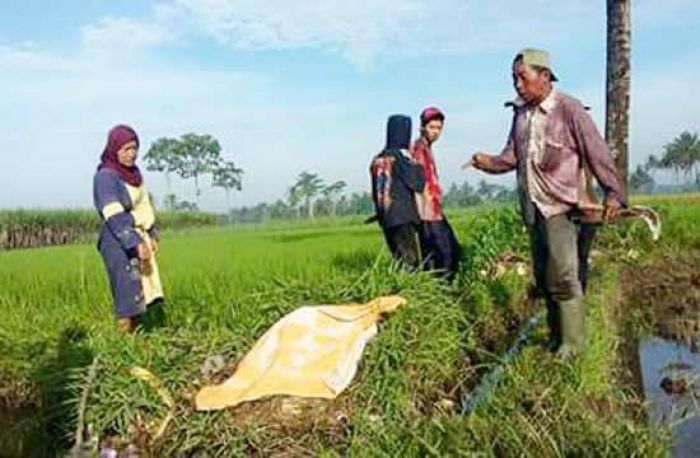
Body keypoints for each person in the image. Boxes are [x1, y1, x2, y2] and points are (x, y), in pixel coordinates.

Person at [468, 48, 624, 358]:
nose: (517, 85)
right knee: (544, 275)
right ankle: (556, 338)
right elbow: (512, 156)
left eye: (522, 77)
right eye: (513, 78)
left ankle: (573, 346)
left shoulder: (569, 109)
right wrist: (487, 162)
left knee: (563, 275)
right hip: (532, 205)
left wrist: (614, 193)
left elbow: (597, 152)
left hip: (560, 205)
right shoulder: (520, 113)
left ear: (544, 76)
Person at [93, 125, 165, 333]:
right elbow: (113, 213)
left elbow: (144, 206)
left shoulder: (135, 175)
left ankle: (141, 333)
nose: (131, 153)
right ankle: (123, 338)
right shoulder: (105, 177)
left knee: (143, 286)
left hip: (137, 233)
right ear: (114, 149)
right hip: (116, 240)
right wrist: (134, 242)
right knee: (126, 288)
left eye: (135, 148)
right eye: (126, 149)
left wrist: (151, 233)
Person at [411, 107, 460, 281]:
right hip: (426, 212)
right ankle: (443, 289)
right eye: (432, 127)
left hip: (434, 209)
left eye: (439, 128)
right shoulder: (418, 149)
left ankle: (438, 287)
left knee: (439, 252)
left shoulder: (426, 148)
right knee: (446, 252)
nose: (436, 132)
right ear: (423, 127)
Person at [370, 114, 426, 268]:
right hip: (403, 217)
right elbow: (418, 183)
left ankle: (401, 287)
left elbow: (375, 193)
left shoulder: (376, 160)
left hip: (386, 218)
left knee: (398, 259)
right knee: (411, 262)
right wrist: (419, 165)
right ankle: (412, 290)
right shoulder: (401, 158)